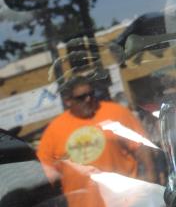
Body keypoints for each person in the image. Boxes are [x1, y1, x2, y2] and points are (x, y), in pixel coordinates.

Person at [36, 76, 157, 207]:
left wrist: (151, 177)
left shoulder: (116, 112)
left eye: (91, 94)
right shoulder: (54, 130)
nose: (88, 99)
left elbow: (140, 147)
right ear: (68, 101)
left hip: (126, 200)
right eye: (81, 97)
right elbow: (45, 171)